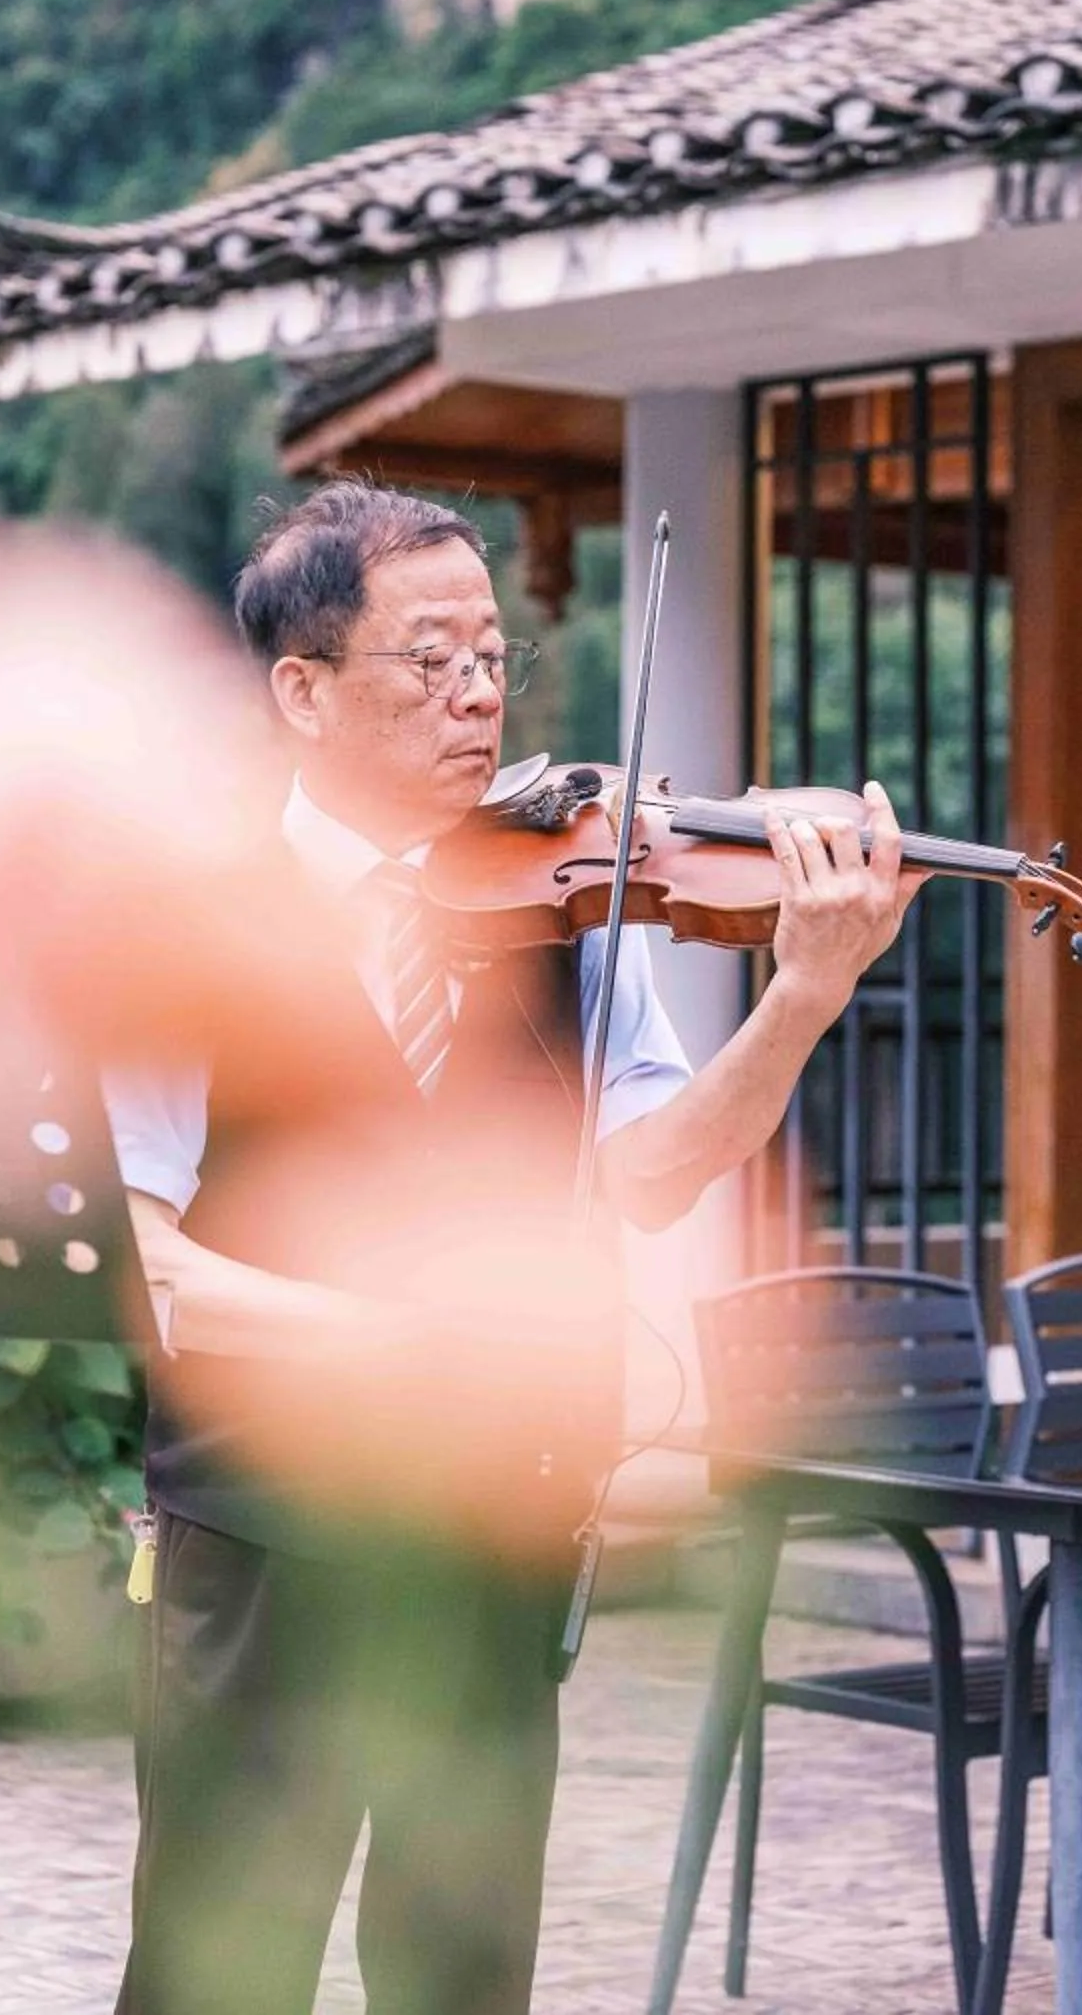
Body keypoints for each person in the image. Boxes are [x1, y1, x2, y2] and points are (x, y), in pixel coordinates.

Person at [105, 479, 914, 2015]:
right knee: (222, 1970)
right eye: (428, 660)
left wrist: (802, 997)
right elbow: (155, 1276)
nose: (478, 693)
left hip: (495, 1522)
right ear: (303, 687)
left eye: (493, 655)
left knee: (465, 1976)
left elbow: (655, 1174)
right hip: (261, 1535)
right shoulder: (188, 923)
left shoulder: (576, 889)